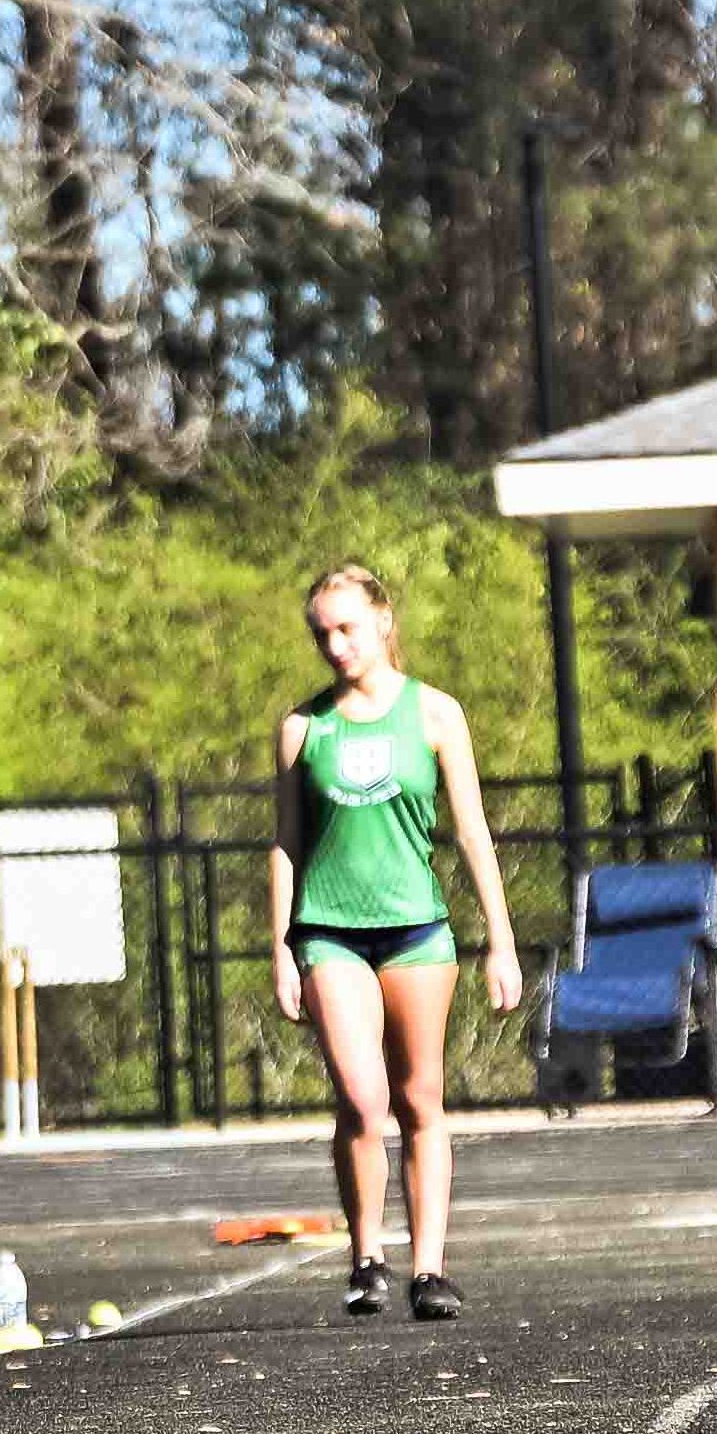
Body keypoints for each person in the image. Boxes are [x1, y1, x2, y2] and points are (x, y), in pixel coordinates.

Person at [270, 565, 524, 1320]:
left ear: (383, 620)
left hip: (416, 930)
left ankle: (429, 1268)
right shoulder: (303, 727)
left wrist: (501, 940)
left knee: (419, 1099)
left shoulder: (436, 713)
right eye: (322, 633)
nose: (335, 644)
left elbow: (472, 832)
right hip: (330, 931)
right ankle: (366, 1258)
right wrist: (282, 946)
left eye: (347, 627)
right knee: (361, 1097)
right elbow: (285, 842)